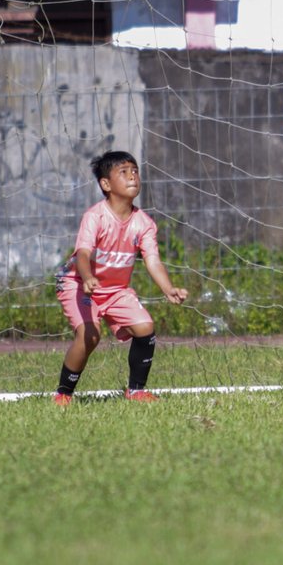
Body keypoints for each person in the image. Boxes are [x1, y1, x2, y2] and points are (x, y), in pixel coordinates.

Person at [54, 151, 188, 404]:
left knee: (145, 327)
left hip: (115, 290)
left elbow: (153, 261)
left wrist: (168, 288)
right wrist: (88, 276)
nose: (132, 177)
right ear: (106, 184)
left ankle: (136, 390)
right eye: (123, 172)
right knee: (89, 336)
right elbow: (82, 253)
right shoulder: (96, 216)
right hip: (79, 284)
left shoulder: (144, 223)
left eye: (135, 171)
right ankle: (63, 394)